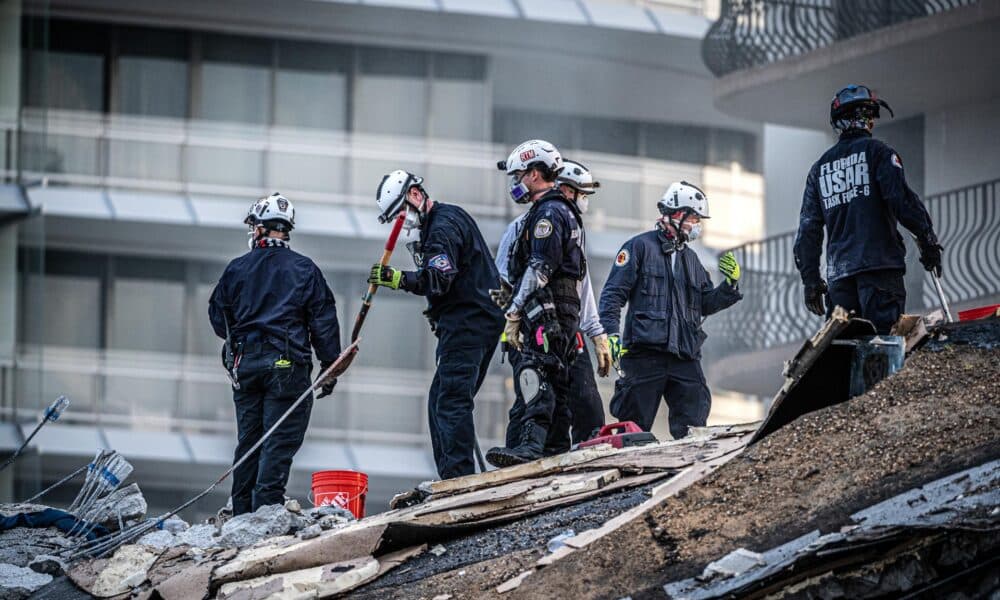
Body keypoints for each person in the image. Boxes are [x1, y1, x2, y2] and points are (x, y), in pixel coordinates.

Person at [209, 193, 345, 515]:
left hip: (246, 365)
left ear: (259, 229)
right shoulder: (305, 269)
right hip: (287, 367)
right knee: (277, 443)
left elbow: (218, 318)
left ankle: (242, 516)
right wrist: (330, 367)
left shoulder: (236, 269)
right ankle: (265, 514)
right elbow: (323, 321)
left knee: (250, 441)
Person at [367, 170, 504, 479]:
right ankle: (452, 475)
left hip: (469, 324)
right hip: (467, 321)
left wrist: (397, 279)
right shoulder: (439, 223)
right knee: (439, 400)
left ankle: (458, 479)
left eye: (401, 213)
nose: (402, 222)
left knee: (451, 400)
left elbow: (438, 279)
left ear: (415, 195)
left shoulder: (441, 227)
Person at [794, 84, 943, 334]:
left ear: (837, 123)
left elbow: (808, 231)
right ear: (869, 121)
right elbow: (902, 201)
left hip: (840, 282)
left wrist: (810, 281)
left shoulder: (819, 170)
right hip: (879, 270)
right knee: (884, 348)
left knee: (845, 354)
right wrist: (927, 240)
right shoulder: (879, 153)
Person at [599, 182, 742, 439]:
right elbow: (612, 295)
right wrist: (610, 336)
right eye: (695, 218)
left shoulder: (692, 260)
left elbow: (705, 303)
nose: (697, 225)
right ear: (677, 214)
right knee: (633, 428)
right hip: (644, 355)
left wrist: (729, 286)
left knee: (694, 429)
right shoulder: (638, 247)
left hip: (685, 357)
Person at [493, 159, 610, 452]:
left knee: (582, 399)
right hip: (531, 323)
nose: (582, 201)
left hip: (565, 327)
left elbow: (580, 286)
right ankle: (523, 456)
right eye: (580, 193)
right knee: (532, 396)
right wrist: (514, 318)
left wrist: (596, 333)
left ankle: (578, 454)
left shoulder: (569, 224)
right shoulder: (524, 227)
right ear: (564, 189)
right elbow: (503, 282)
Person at [485, 140, 587, 467]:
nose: (515, 184)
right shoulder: (552, 211)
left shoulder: (549, 213)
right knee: (556, 376)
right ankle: (555, 449)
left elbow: (540, 268)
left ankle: (530, 447)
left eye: (518, 176)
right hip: (559, 308)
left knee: (535, 370)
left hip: (549, 308)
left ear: (533, 173)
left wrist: (514, 311)